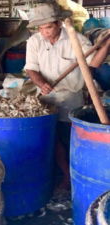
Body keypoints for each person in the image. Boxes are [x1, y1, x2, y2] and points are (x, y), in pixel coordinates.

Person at [24, 1, 110, 189]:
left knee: (66, 137)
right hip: (44, 98)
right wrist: (41, 83)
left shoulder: (77, 40)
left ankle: (68, 176)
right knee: (48, 137)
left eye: (48, 27)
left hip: (70, 97)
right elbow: (31, 68)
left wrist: (105, 47)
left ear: (59, 23)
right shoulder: (34, 41)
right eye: (41, 27)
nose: (44, 32)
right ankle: (57, 171)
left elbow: (92, 67)